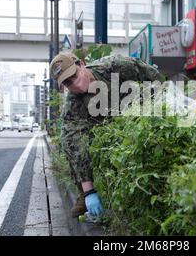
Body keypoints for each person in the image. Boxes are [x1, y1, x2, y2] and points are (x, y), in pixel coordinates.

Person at [50, 52, 161, 218]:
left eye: (75, 76)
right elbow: (74, 145)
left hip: (137, 111)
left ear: (81, 64)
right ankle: (84, 193)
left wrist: (160, 104)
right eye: (68, 83)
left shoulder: (116, 66)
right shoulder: (73, 104)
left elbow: (153, 76)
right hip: (106, 126)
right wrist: (89, 192)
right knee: (70, 140)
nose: (76, 84)